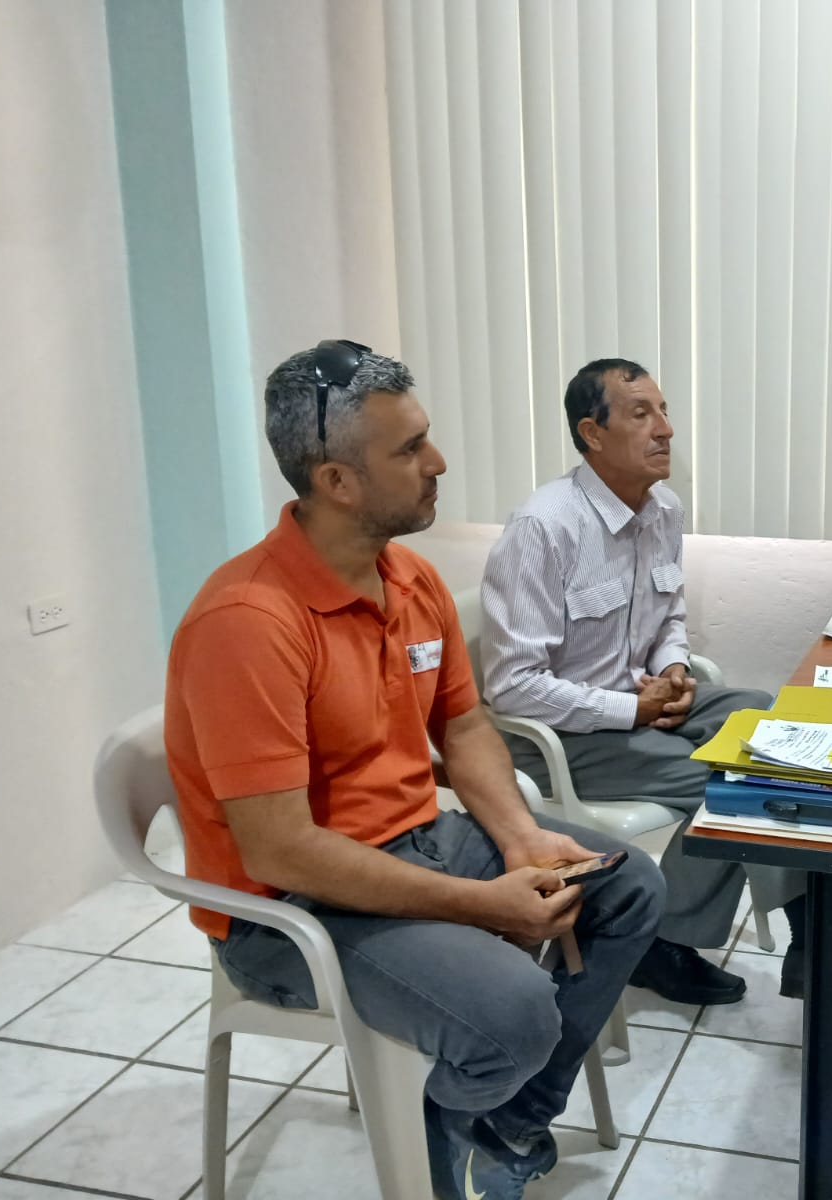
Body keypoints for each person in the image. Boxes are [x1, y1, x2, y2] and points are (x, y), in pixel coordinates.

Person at [164, 342, 663, 1200]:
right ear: (336, 481)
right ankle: (450, 1124)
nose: (438, 462)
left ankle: (504, 1121)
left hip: (417, 840)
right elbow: (280, 850)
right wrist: (482, 904)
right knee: (514, 1010)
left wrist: (519, 838)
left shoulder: (410, 578)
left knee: (628, 888)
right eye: (409, 449)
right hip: (289, 912)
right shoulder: (247, 623)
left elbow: (462, 726)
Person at [480, 358, 807, 1004]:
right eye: (641, 414)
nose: (665, 429)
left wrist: (675, 668)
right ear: (592, 433)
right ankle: (667, 943)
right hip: (560, 735)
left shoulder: (662, 511)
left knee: (772, 723)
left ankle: (806, 929)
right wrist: (631, 711)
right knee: (728, 782)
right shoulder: (544, 528)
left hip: (640, 699)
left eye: (663, 411)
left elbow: (668, 616)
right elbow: (513, 687)